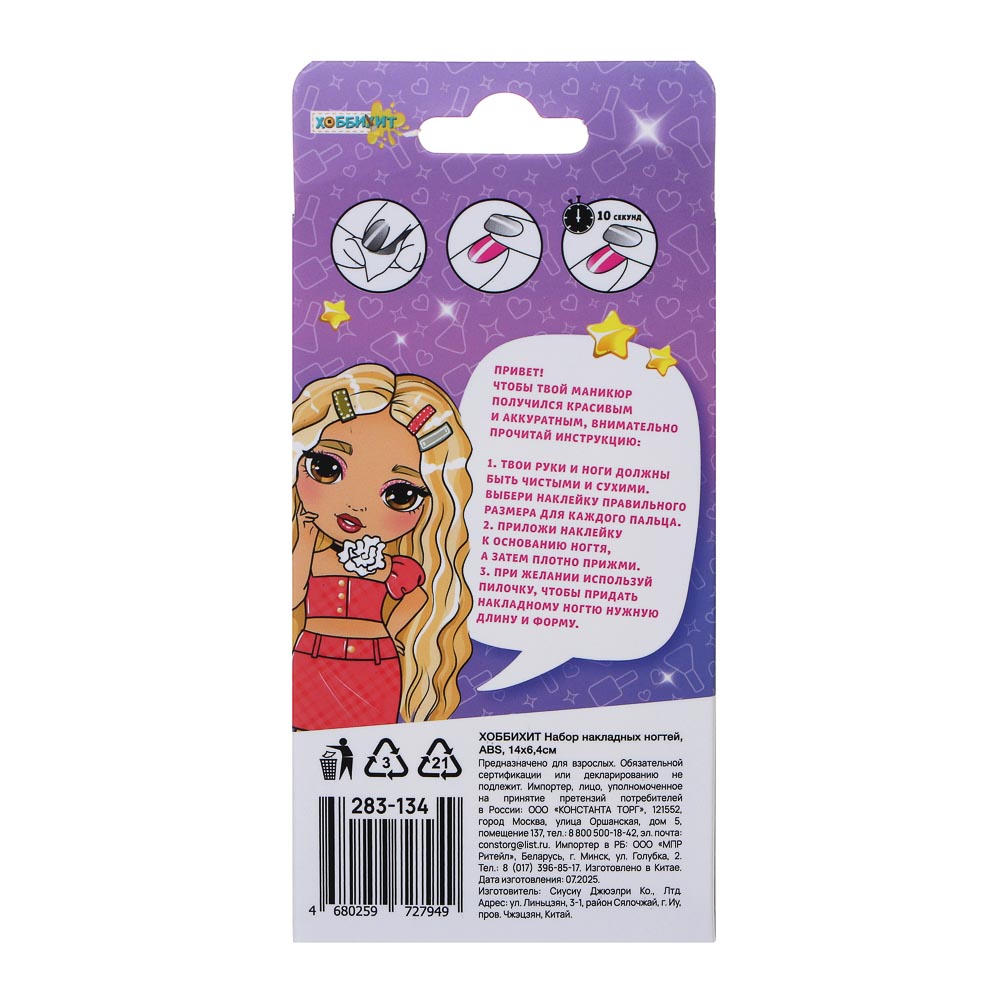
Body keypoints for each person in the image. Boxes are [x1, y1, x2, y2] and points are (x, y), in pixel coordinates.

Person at [292, 364, 473, 728]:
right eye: (327, 468)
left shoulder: (392, 566)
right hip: (312, 659)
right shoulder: (314, 558)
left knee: (369, 746)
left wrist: (391, 631)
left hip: (375, 665)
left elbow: (417, 597)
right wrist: (305, 543)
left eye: (400, 495)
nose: (355, 504)